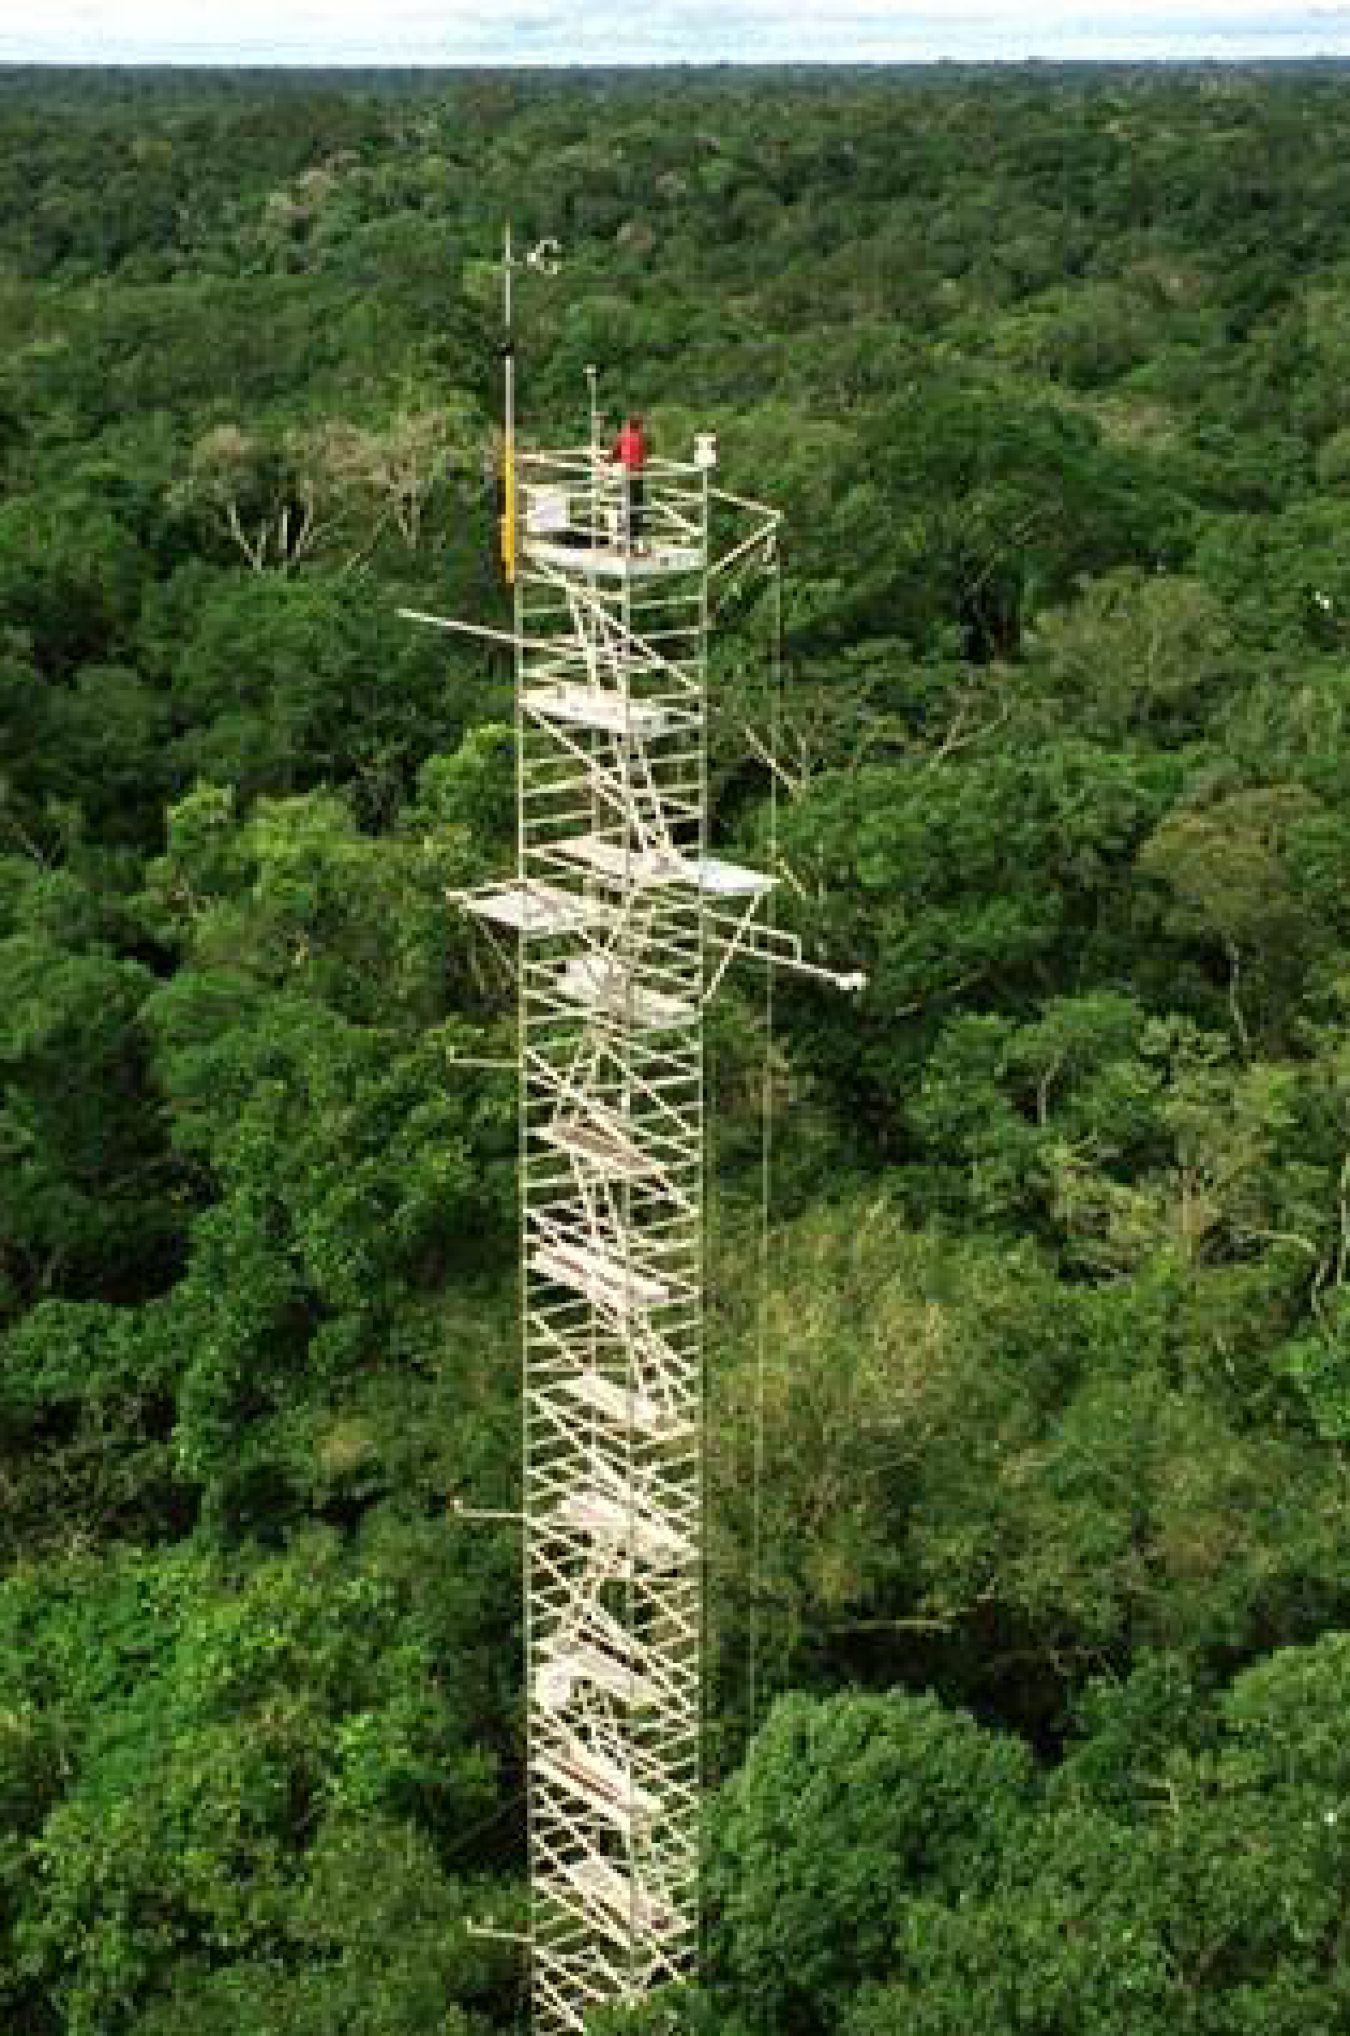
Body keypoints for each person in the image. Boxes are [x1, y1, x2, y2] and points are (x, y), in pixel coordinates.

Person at [611, 412, 648, 549]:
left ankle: (625, 540)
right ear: (638, 426)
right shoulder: (639, 438)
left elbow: (615, 453)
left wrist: (605, 463)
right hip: (636, 476)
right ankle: (634, 540)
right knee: (636, 508)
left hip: (627, 476)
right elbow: (642, 458)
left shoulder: (624, 436)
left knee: (627, 507)